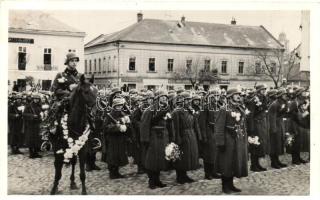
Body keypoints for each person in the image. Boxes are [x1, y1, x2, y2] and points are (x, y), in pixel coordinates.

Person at [215, 88, 248, 194]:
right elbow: (219, 127)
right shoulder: (223, 109)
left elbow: (243, 124)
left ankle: (231, 184)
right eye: (236, 94)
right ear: (230, 97)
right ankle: (225, 186)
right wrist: (220, 143)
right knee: (226, 163)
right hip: (228, 139)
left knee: (234, 162)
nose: (239, 96)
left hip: (238, 139)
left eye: (239, 94)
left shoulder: (239, 108)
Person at [140, 89, 173, 189]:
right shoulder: (150, 110)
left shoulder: (166, 109)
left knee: (160, 159)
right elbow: (144, 125)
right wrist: (145, 140)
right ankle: (151, 181)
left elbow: (169, 124)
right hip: (153, 137)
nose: (164, 98)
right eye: (162, 97)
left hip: (163, 137)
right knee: (152, 160)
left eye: (166, 97)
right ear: (157, 98)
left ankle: (157, 180)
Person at [172, 91, 200, 184]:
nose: (188, 102)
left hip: (191, 134)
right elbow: (175, 127)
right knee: (181, 157)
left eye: (189, 100)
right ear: (181, 100)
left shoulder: (189, 110)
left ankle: (184, 175)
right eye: (186, 100)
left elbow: (195, 123)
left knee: (187, 157)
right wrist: (178, 139)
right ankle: (179, 176)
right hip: (182, 136)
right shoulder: (177, 112)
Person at [103, 98, 129, 179]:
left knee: (119, 155)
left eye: (121, 105)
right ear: (114, 106)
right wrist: (117, 127)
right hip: (112, 138)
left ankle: (117, 172)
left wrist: (126, 124)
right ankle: (112, 173)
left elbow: (127, 124)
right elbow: (105, 127)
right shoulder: (110, 115)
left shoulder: (122, 113)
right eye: (118, 106)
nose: (119, 107)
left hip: (120, 138)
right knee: (112, 156)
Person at [246, 84, 269, 172]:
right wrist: (251, 129)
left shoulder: (264, 98)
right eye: (262, 89)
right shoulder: (253, 100)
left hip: (261, 124)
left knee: (260, 145)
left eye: (264, 89)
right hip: (255, 125)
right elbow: (250, 115)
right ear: (258, 90)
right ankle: (253, 165)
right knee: (255, 145)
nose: (263, 91)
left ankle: (257, 164)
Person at [268, 88, 288, 169]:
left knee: (279, 144)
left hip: (280, 124)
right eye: (284, 94)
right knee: (274, 144)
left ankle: (277, 160)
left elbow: (284, 112)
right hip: (275, 125)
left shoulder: (282, 102)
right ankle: (273, 162)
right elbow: (271, 117)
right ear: (280, 95)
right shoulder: (274, 104)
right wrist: (273, 129)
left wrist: (286, 104)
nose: (286, 96)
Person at [23, 93, 43, 158]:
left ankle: (36, 153)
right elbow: (24, 114)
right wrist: (32, 116)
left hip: (37, 124)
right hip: (30, 124)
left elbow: (41, 113)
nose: (36, 100)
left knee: (37, 139)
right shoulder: (29, 106)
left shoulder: (39, 106)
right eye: (35, 99)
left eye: (37, 99)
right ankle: (31, 153)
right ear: (33, 99)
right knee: (30, 139)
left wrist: (42, 115)